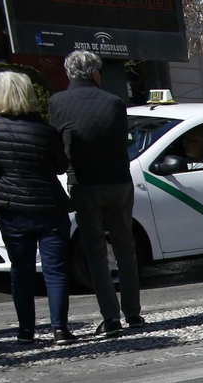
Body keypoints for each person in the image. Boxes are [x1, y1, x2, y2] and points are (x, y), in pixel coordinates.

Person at [0, 70, 76, 344]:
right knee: (55, 269)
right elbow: (61, 166)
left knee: (21, 270)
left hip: (11, 206)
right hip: (49, 205)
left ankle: (26, 330)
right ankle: (59, 328)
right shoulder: (45, 130)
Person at [48, 49, 143, 338]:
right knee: (125, 248)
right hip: (118, 182)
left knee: (96, 252)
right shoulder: (114, 102)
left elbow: (56, 143)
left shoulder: (57, 102)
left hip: (84, 182)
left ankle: (110, 317)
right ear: (94, 73)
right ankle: (133, 313)